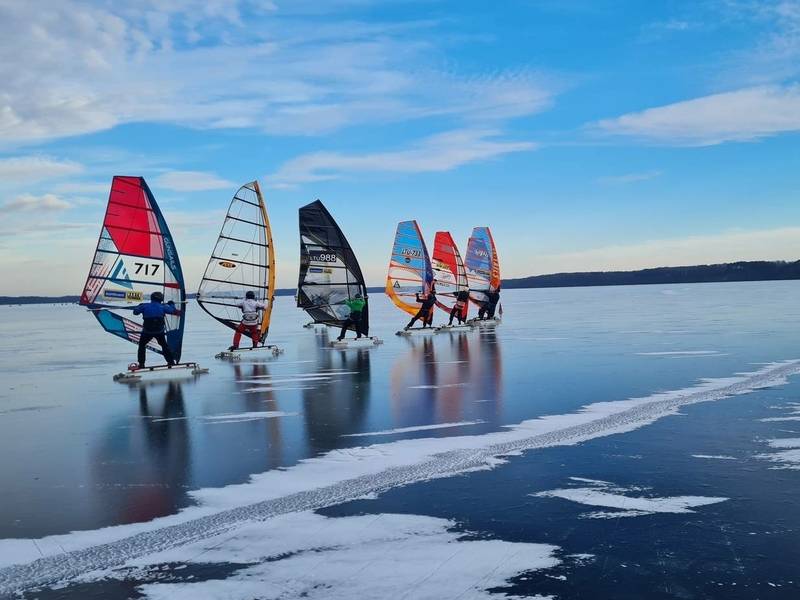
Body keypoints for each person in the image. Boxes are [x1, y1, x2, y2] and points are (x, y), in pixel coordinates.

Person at [132, 291, 178, 368]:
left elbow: (135, 312)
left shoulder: (144, 306)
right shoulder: (163, 307)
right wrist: (171, 304)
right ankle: (171, 362)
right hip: (159, 332)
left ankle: (141, 364)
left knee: (142, 345)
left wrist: (139, 306)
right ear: (160, 299)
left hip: (147, 331)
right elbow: (172, 311)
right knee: (164, 346)